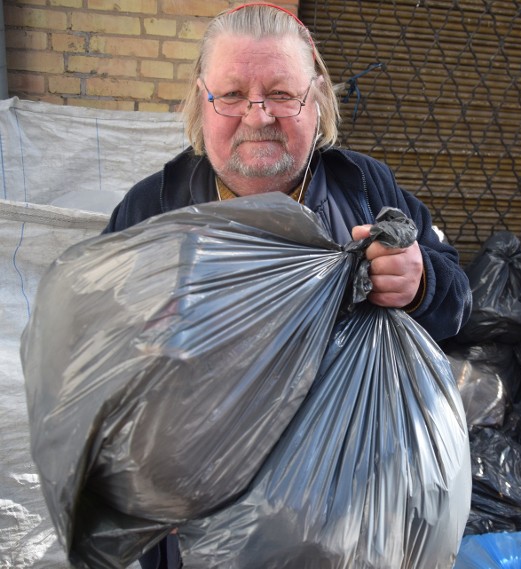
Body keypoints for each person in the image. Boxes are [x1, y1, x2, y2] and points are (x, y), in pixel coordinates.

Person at [101, 3, 472, 567]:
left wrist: (420, 283)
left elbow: (459, 301)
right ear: (201, 101)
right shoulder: (153, 209)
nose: (257, 115)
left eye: (281, 92)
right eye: (231, 94)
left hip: (346, 516)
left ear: (315, 98)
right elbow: (94, 358)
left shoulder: (366, 187)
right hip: (192, 530)